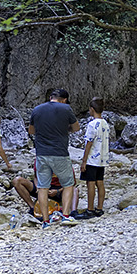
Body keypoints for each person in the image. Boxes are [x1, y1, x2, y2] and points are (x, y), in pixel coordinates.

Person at [28, 88, 81, 225]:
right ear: (64, 99)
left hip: (41, 154)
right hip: (59, 153)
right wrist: (64, 129)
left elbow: (31, 130)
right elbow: (76, 128)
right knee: (69, 184)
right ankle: (66, 215)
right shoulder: (66, 108)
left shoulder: (37, 109)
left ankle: (45, 220)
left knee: (43, 187)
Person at [77, 97, 110, 217]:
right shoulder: (105, 123)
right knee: (100, 183)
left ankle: (90, 209)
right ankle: (99, 208)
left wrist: (84, 161)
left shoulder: (92, 124)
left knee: (90, 183)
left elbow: (89, 143)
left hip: (92, 159)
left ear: (92, 109)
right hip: (102, 158)